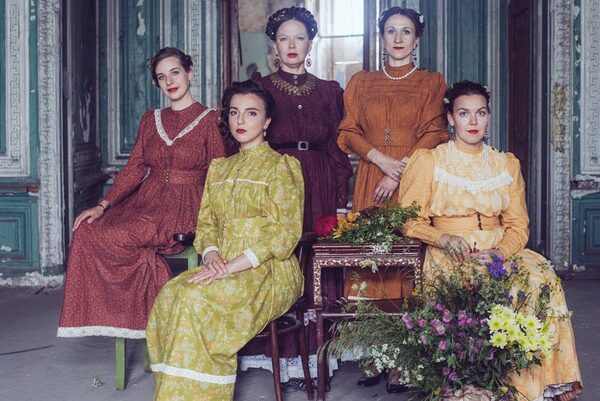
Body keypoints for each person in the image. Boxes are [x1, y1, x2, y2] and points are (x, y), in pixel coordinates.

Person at [399, 80, 582, 401]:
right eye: (464, 113)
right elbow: (408, 220)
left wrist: (499, 252)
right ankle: (477, 387)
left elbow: (518, 225)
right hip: (450, 250)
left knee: (538, 278)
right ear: (450, 118)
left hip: (498, 249)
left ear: (488, 117)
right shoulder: (430, 161)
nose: (473, 121)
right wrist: (442, 237)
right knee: (476, 286)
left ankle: (530, 387)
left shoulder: (506, 164)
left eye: (480, 113)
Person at [145, 80, 305, 401]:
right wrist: (211, 255)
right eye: (234, 113)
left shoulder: (281, 167)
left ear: (267, 121)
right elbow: (206, 224)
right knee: (171, 294)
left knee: (194, 300)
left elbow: (284, 233)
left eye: (251, 113)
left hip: (269, 271)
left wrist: (231, 267)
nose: (240, 121)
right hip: (220, 264)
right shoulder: (219, 168)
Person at [57, 47, 226, 339]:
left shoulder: (211, 119)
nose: (169, 81)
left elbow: (220, 175)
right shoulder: (151, 119)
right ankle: (125, 318)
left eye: (175, 72)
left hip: (186, 203)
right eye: (161, 77)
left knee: (124, 234)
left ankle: (148, 313)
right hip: (148, 200)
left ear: (189, 72)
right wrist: (103, 205)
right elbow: (135, 168)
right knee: (87, 230)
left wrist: (217, 222)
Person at [336, 8, 448, 389]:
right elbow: (348, 131)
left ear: (417, 39)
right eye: (390, 32)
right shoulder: (361, 82)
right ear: (381, 37)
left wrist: (399, 168)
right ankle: (372, 353)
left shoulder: (430, 82)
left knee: (406, 260)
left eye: (406, 32)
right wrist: (381, 161)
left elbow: (434, 132)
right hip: (371, 178)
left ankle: (403, 357)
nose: (398, 39)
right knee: (370, 259)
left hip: (411, 178)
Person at [246, 5, 353, 386]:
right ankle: (284, 357)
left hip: (319, 183)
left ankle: (318, 357)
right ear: (274, 45)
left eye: (299, 38)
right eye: (284, 39)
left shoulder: (329, 91)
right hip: (278, 184)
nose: (292, 45)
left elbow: (337, 148)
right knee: (282, 259)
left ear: (310, 43)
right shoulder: (260, 88)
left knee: (317, 262)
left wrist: (340, 201)